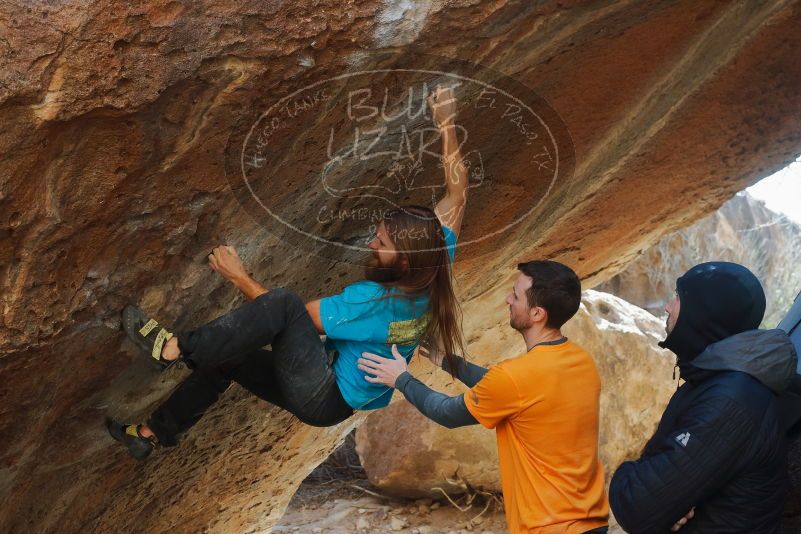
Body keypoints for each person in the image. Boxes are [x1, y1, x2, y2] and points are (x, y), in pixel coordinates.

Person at [108, 85, 470, 460]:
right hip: (333, 397)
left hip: (322, 392)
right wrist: (446, 122)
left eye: (381, 243)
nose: (371, 245)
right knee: (229, 355)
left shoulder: (375, 302)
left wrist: (237, 275)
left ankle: (171, 348)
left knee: (283, 303)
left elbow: (290, 320)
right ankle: (151, 434)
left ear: (405, 260)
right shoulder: (434, 262)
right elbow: (458, 195)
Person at [359, 260, 610, 534]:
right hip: (593, 523)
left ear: (538, 313)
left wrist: (400, 378)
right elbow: (511, 391)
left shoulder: (515, 377)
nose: (507, 300)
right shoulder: (581, 362)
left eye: (515, 295)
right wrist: (447, 362)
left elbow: (446, 412)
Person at [609, 262, 798, 533]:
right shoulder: (714, 379)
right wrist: (668, 504)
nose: (667, 307)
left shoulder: (733, 398)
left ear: (703, 312)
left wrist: (631, 476)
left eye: (677, 296)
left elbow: (637, 505)